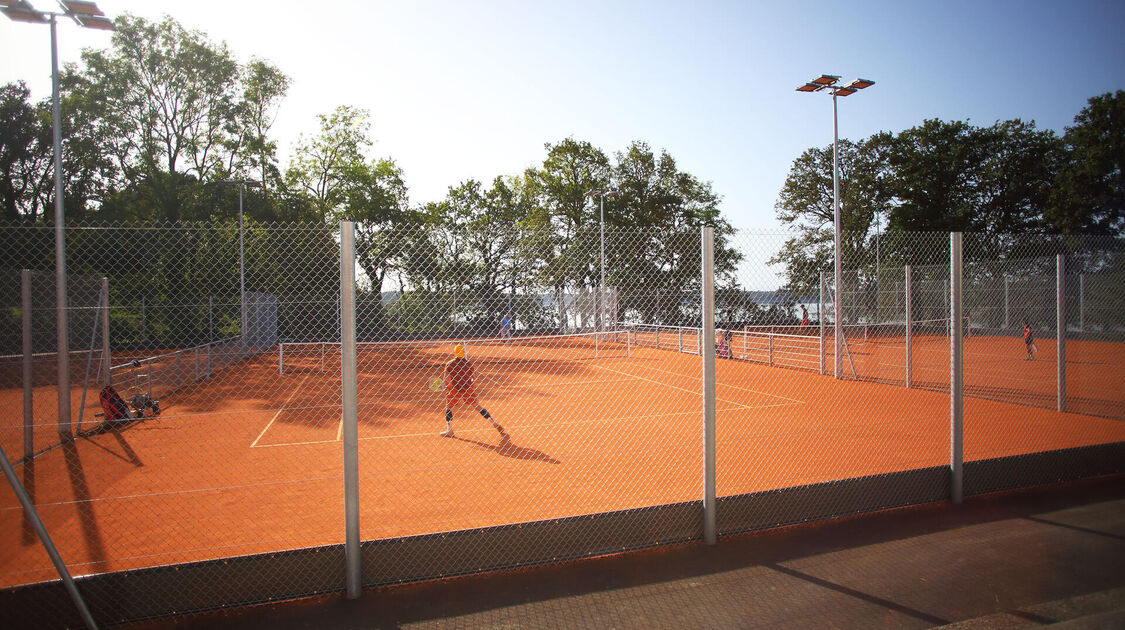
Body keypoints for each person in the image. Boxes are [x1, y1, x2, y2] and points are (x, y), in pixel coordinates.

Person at [441, 343, 505, 438]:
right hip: (468, 388)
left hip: (455, 389)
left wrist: (448, 387)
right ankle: (493, 422)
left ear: (455, 353)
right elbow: (474, 378)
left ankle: (450, 430)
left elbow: (446, 379)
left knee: (449, 407)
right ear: (463, 353)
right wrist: (471, 387)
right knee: (478, 407)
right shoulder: (468, 363)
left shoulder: (450, 364)